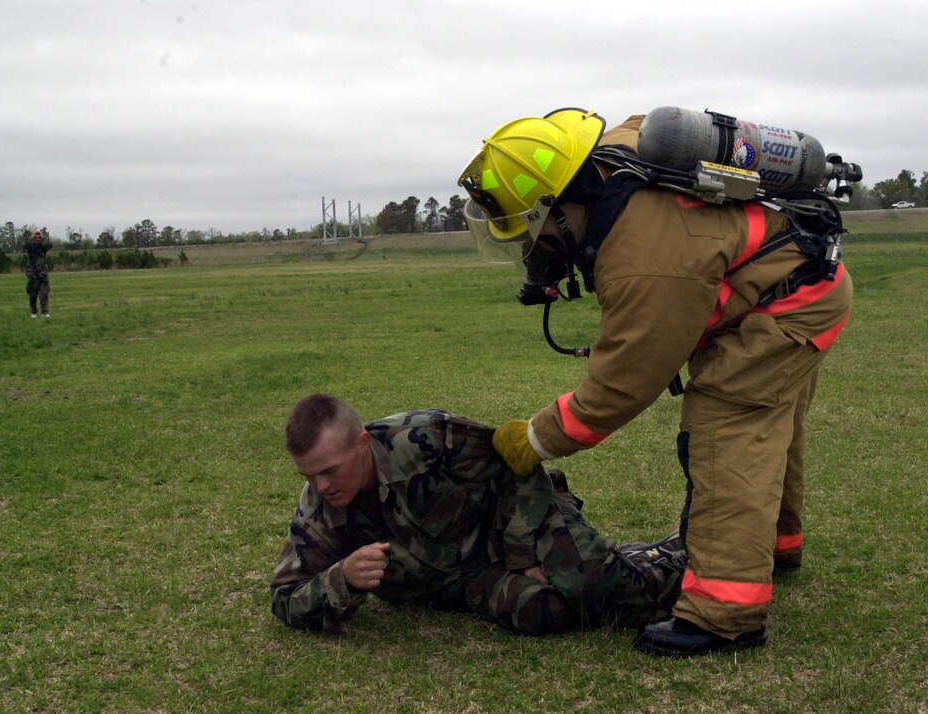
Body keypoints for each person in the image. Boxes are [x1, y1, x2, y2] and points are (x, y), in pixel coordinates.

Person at [457, 108, 853, 657]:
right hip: (805, 277)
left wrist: (536, 438)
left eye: (533, 232)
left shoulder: (642, 258)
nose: (534, 250)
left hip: (787, 304)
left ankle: (724, 613)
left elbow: (622, 384)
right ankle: (778, 548)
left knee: (726, 425)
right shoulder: (618, 150)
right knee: (770, 421)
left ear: (559, 207)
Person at [269, 393, 686, 636]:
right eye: (308, 475)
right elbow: (285, 598)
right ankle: (645, 558)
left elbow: (517, 465)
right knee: (543, 611)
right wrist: (341, 578)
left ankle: (691, 580)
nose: (321, 486)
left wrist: (522, 555)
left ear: (362, 445)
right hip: (469, 580)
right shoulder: (320, 506)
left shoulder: (424, 437)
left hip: (519, 519)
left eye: (329, 470)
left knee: (585, 578)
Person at [24, 230, 52, 318]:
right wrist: (31, 237)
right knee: (32, 294)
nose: (37, 239)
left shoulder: (43, 247)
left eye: (39, 238)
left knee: (44, 293)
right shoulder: (30, 246)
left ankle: (45, 312)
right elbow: (25, 244)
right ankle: (34, 312)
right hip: (33, 273)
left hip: (43, 273)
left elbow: (49, 244)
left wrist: (44, 237)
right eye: (35, 237)